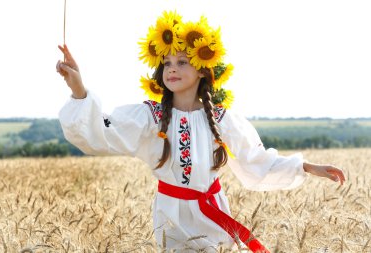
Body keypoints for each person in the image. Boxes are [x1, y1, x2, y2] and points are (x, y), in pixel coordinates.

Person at [56, 11, 345, 253]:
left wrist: (307, 166)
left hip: (212, 214)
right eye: (167, 63)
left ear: (203, 70)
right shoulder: (150, 117)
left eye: (182, 62)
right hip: (170, 216)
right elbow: (103, 133)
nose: (172, 69)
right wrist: (78, 88)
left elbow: (255, 161)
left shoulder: (220, 118)